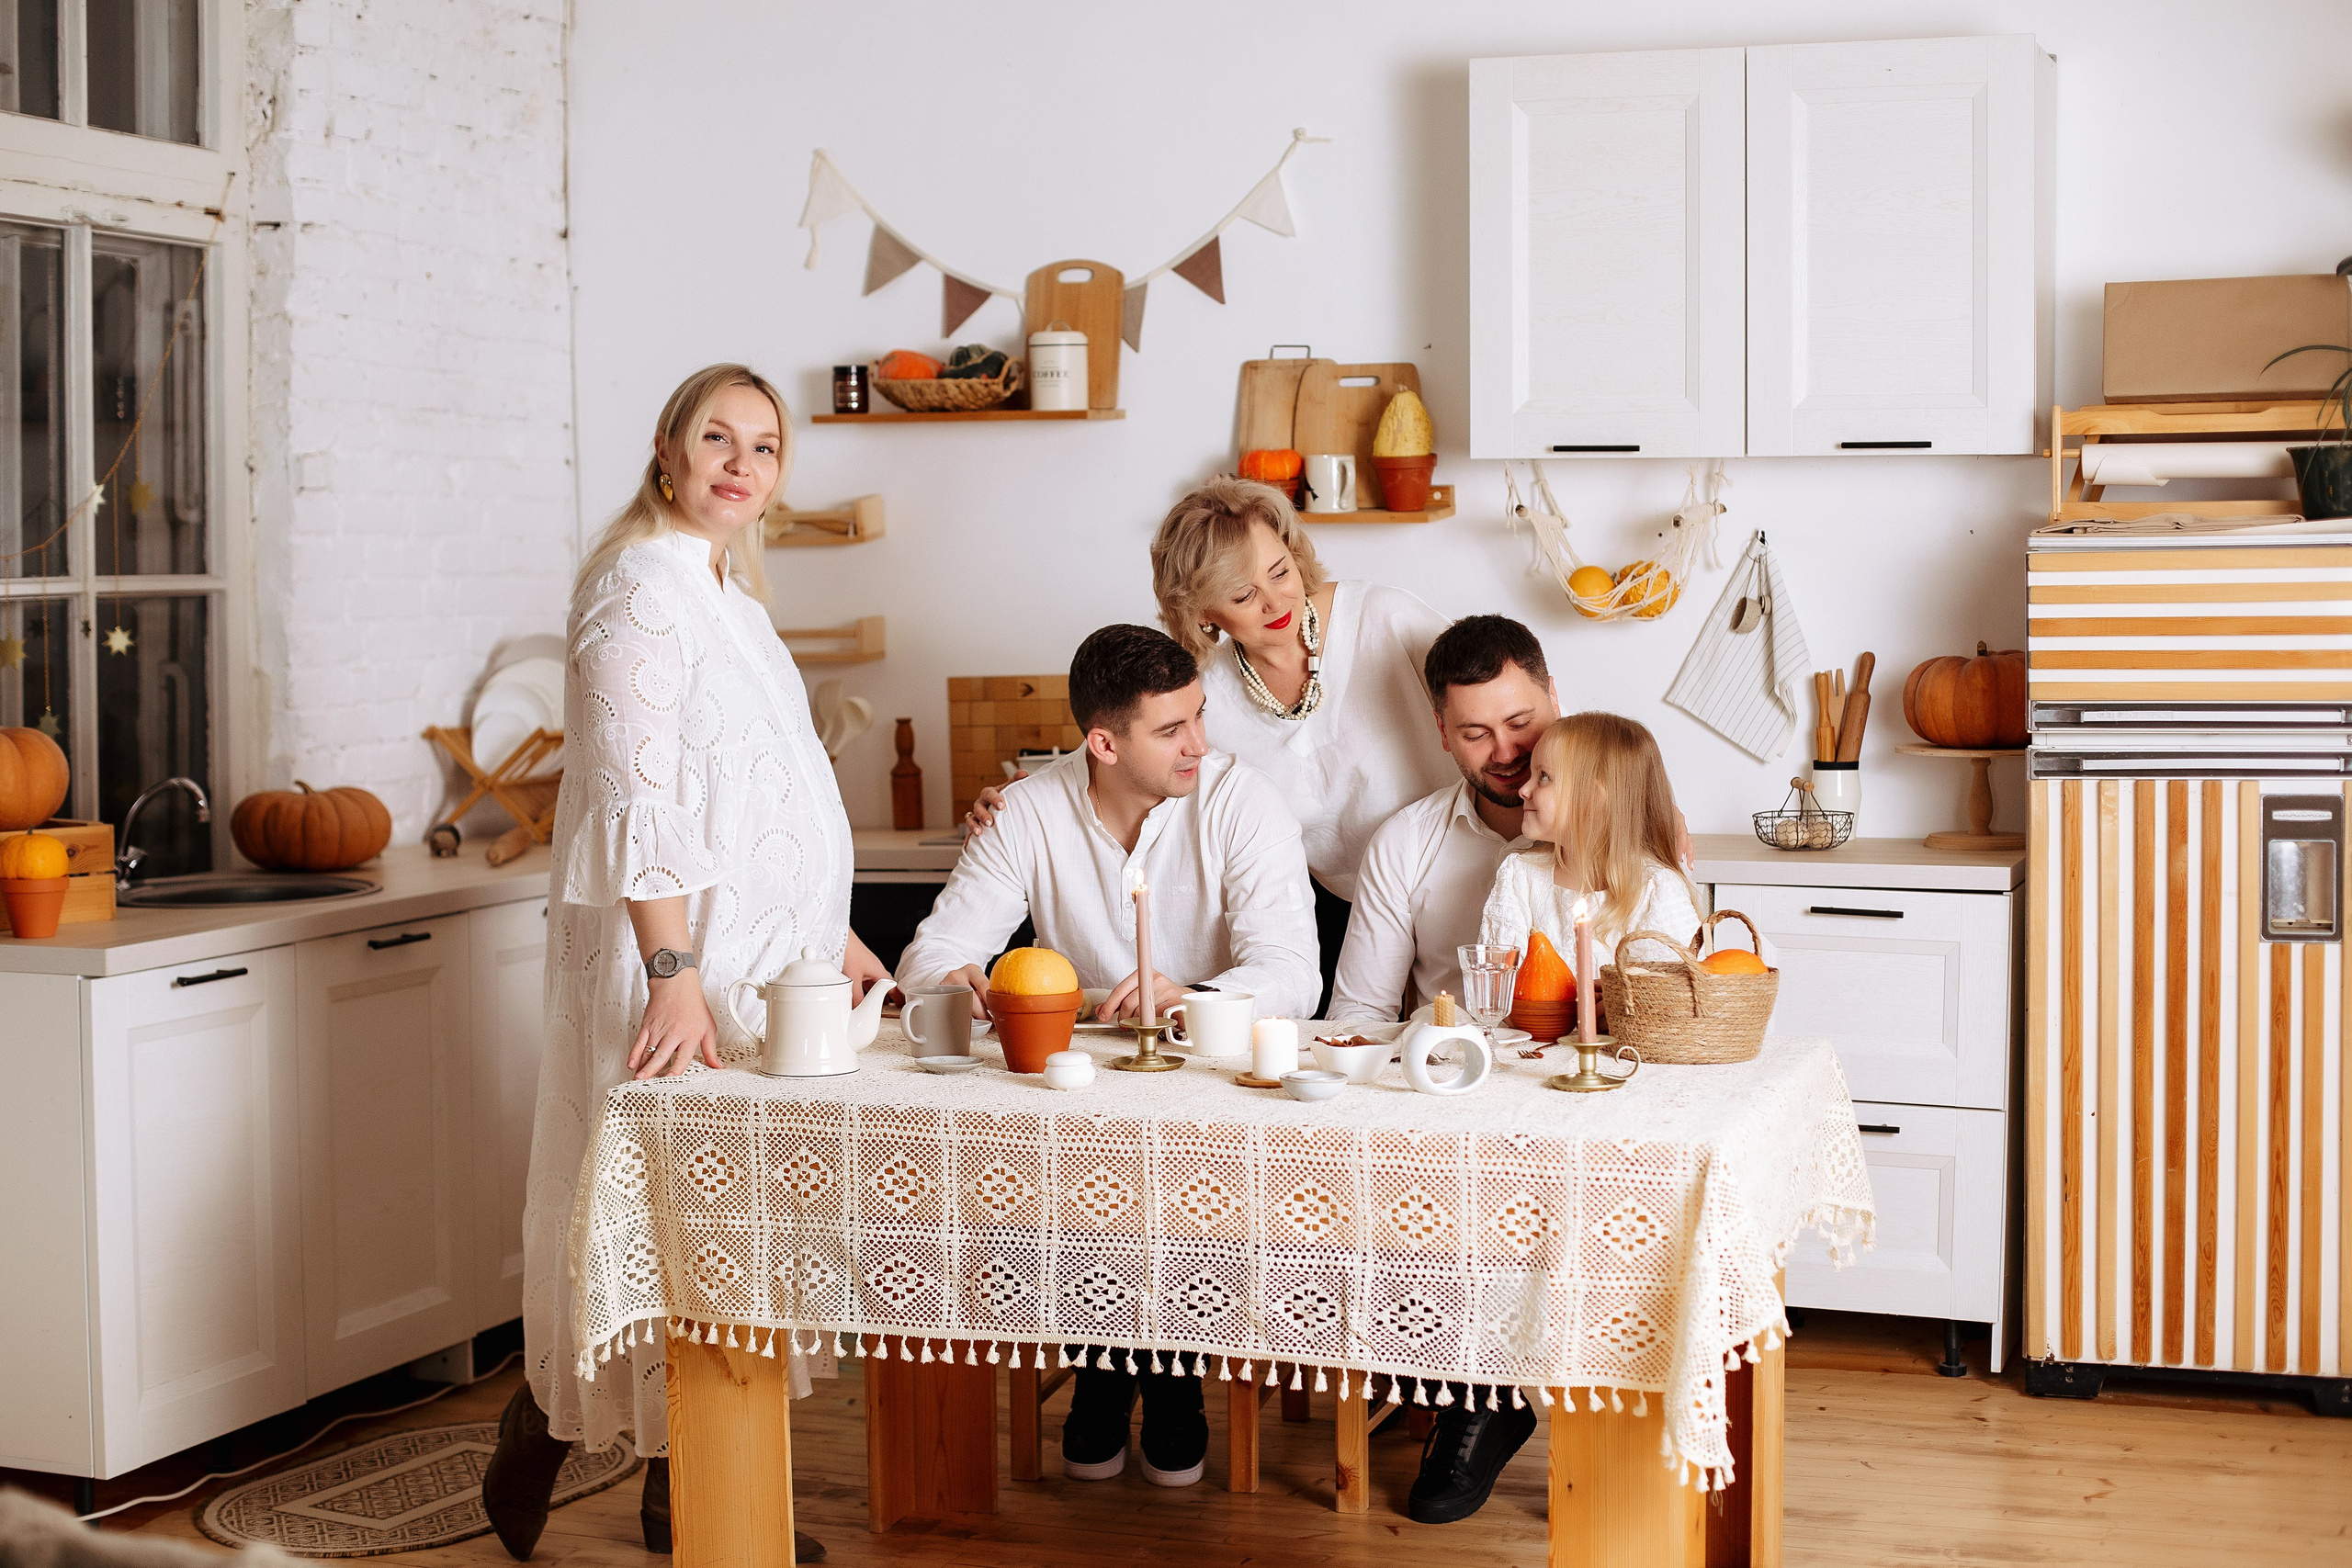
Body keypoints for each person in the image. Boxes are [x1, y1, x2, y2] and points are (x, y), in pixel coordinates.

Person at [484, 364, 880, 1563]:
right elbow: (634, 798)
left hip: (761, 967)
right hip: (672, 966)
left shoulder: (728, 594)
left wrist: (835, 929)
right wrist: (670, 971)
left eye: (765, 448)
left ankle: (685, 1489)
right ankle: (544, 1426)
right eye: (718, 435)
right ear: (666, 446)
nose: (741, 462)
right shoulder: (634, 595)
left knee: (732, 1222)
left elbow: (771, 788)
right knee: (652, 1214)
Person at [897, 622, 1320, 1484]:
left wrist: (1192, 997)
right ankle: (1110, 1364)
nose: (1200, 743)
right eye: (1173, 729)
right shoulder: (1024, 809)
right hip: (1079, 1089)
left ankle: (1158, 1376)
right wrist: (968, 981)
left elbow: (1292, 974)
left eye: (1200, 716)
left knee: (1183, 1178)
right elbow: (929, 956)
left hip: (1211, 1081)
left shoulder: (1246, 803)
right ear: (1103, 741)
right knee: (1074, 1168)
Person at [964, 479, 1456, 1010]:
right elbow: (1130, 750)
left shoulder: (1386, 619)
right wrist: (1025, 796)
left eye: (1280, 572)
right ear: (1203, 612)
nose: (1275, 602)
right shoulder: (1207, 696)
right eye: (1243, 596)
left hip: (1460, 882)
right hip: (1344, 918)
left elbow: (1499, 698)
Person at [1327, 615, 1558, 1024]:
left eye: (1520, 724)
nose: (1505, 753)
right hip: (1446, 1072)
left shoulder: (1622, 826)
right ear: (1443, 730)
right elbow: (1359, 1014)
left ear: (1555, 700)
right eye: (1475, 734)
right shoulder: (1404, 842)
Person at [1478, 711, 1701, 969]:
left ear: (1594, 800)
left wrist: (1618, 996)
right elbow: (1497, 983)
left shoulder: (1655, 888)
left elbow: (1676, 990)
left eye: (1544, 776)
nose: (1523, 790)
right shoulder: (1519, 876)